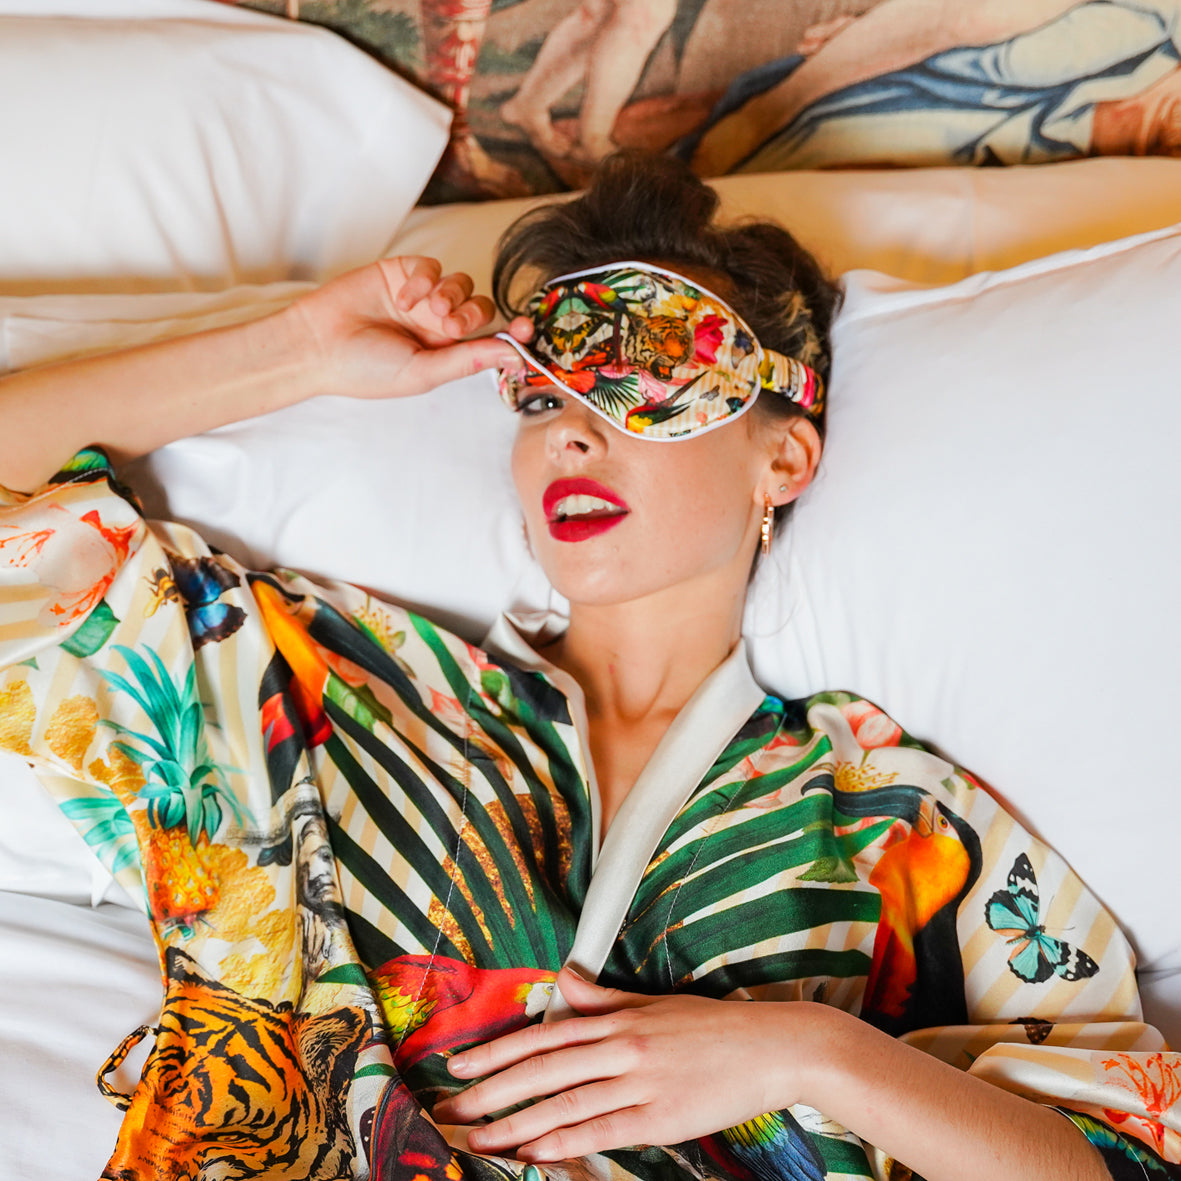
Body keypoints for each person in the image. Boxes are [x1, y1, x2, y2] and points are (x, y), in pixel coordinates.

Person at [0, 152, 1177, 1181]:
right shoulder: (326, 692)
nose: (571, 426)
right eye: (538, 393)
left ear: (786, 457)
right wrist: (300, 348)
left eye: (644, 370)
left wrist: (811, 1051)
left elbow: (1110, 1156)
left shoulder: (899, 825)